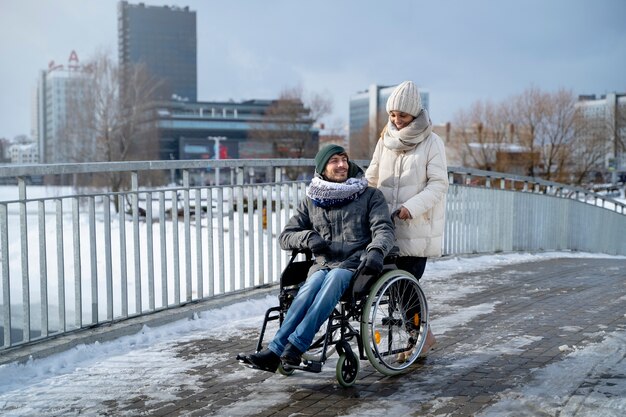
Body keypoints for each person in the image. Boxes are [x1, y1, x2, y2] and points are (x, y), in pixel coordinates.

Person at [241, 144, 396, 373]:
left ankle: (295, 347)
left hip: (356, 265)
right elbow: (286, 236)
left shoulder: (370, 196)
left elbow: (384, 229)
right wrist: (308, 237)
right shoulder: (312, 200)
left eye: (344, 159)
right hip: (323, 265)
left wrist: (376, 250)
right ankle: (275, 352)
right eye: (334, 161)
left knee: (333, 278)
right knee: (309, 286)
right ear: (322, 168)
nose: (342, 164)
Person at [365, 80, 448, 359]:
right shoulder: (384, 140)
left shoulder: (432, 142)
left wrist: (410, 207)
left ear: (415, 114)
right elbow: (373, 177)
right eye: (392, 115)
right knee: (394, 287)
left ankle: (419, 339)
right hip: (385, 228)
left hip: (414, 226)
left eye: (402, 115)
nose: (397, 120)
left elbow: (438, 185)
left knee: (405, 286)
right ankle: (423, 337)